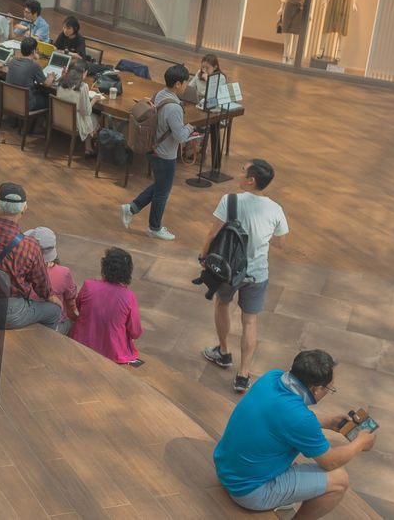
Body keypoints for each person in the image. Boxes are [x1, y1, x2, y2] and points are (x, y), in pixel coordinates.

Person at [214, 349, 375, 518]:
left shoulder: (271, 377)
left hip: (225, 469)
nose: (329, 391)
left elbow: (282, 418)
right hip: (248, 492)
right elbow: (331, 462)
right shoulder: (301, 419)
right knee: (339, 480)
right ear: (317, 389)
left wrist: (328, 422)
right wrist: (360, 443)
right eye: (330, 388)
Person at [201, 158, 289, 392]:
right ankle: (243, 374)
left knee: (222, 304)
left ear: (251, 180)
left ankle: (223, 351)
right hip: (257, 274)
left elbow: (212, 235)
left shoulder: (230, 201)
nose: (239, 175)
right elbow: (280, 242)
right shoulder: (276, 209)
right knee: (250, 321)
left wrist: (203, 259)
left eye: (242, 172)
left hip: (229, 270)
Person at [0, 183, 62, 329]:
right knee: (54, 311)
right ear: (24, 209)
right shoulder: (30, 245)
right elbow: (42, 287)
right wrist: (51, 297)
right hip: (7, 312)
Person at [120, 64, 194, 240]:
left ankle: (131, 208)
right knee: (162, 191)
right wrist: (189, 128)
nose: (186, 87)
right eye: (185, 83)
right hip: (165, 155)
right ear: (178, 84)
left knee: (160, 185)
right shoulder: (174, 108)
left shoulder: (160, 94)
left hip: (152, 148)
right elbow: (181, 137)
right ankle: (154, 227)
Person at [70, 247, 142, 363]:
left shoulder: (88, 285)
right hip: (113, 353)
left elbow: (79, 307)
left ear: (104, 267)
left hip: (81, 343)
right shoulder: (129, 296)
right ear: (128, 272)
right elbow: (135, 332)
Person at [29, 227, 76, 334]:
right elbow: (70, 301)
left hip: (29, 319)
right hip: (54, 325)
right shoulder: (64, 272)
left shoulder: (22, 268)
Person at [55, 59, 101, 154]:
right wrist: (94, 100)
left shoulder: (61, 80)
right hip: (74, 122)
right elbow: (86, 111)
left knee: (85, 117)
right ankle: (89, 147)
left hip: (58, 117)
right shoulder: (83, 86)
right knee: (96, 117)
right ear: (83, 71)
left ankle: (88, 148)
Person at [5, 37, 48, 111]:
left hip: (10, 101)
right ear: (34, 51)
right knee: (48, 100)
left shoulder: (12, 61)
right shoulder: (34, 66)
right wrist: (51, 77)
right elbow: (46, 84)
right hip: (26, 105)